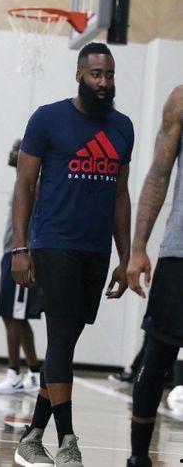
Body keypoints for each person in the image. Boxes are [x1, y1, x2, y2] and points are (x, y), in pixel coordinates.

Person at [12, 42, 133, 467]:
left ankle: (31, 437)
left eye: (109, 75)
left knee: (63, 344)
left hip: (95, 250)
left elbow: (121, 196)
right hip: (54, 244)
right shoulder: (47, 119)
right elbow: (24, 185)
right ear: (79, 75)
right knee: (62, 337)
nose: (104, 82)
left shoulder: (122, 128)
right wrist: (20, 247)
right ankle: (67, 441)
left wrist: (126, 257)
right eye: (96, 74)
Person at [126, 84, 183, 467]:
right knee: (157, 356)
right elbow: (158, 177)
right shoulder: (181, 100)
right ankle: (138, 457)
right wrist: (138, 248)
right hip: (180, 253)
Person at [0, 139, 41, 395]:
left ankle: (14, 374)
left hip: (20, 256)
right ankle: (34, 373)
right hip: (11, 254)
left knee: (13, 316)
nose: (11, 152)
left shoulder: (34, 185)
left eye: (16, 148)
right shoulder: (22, 182)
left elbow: (37, 221)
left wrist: (25, 253)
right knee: (16, 317)